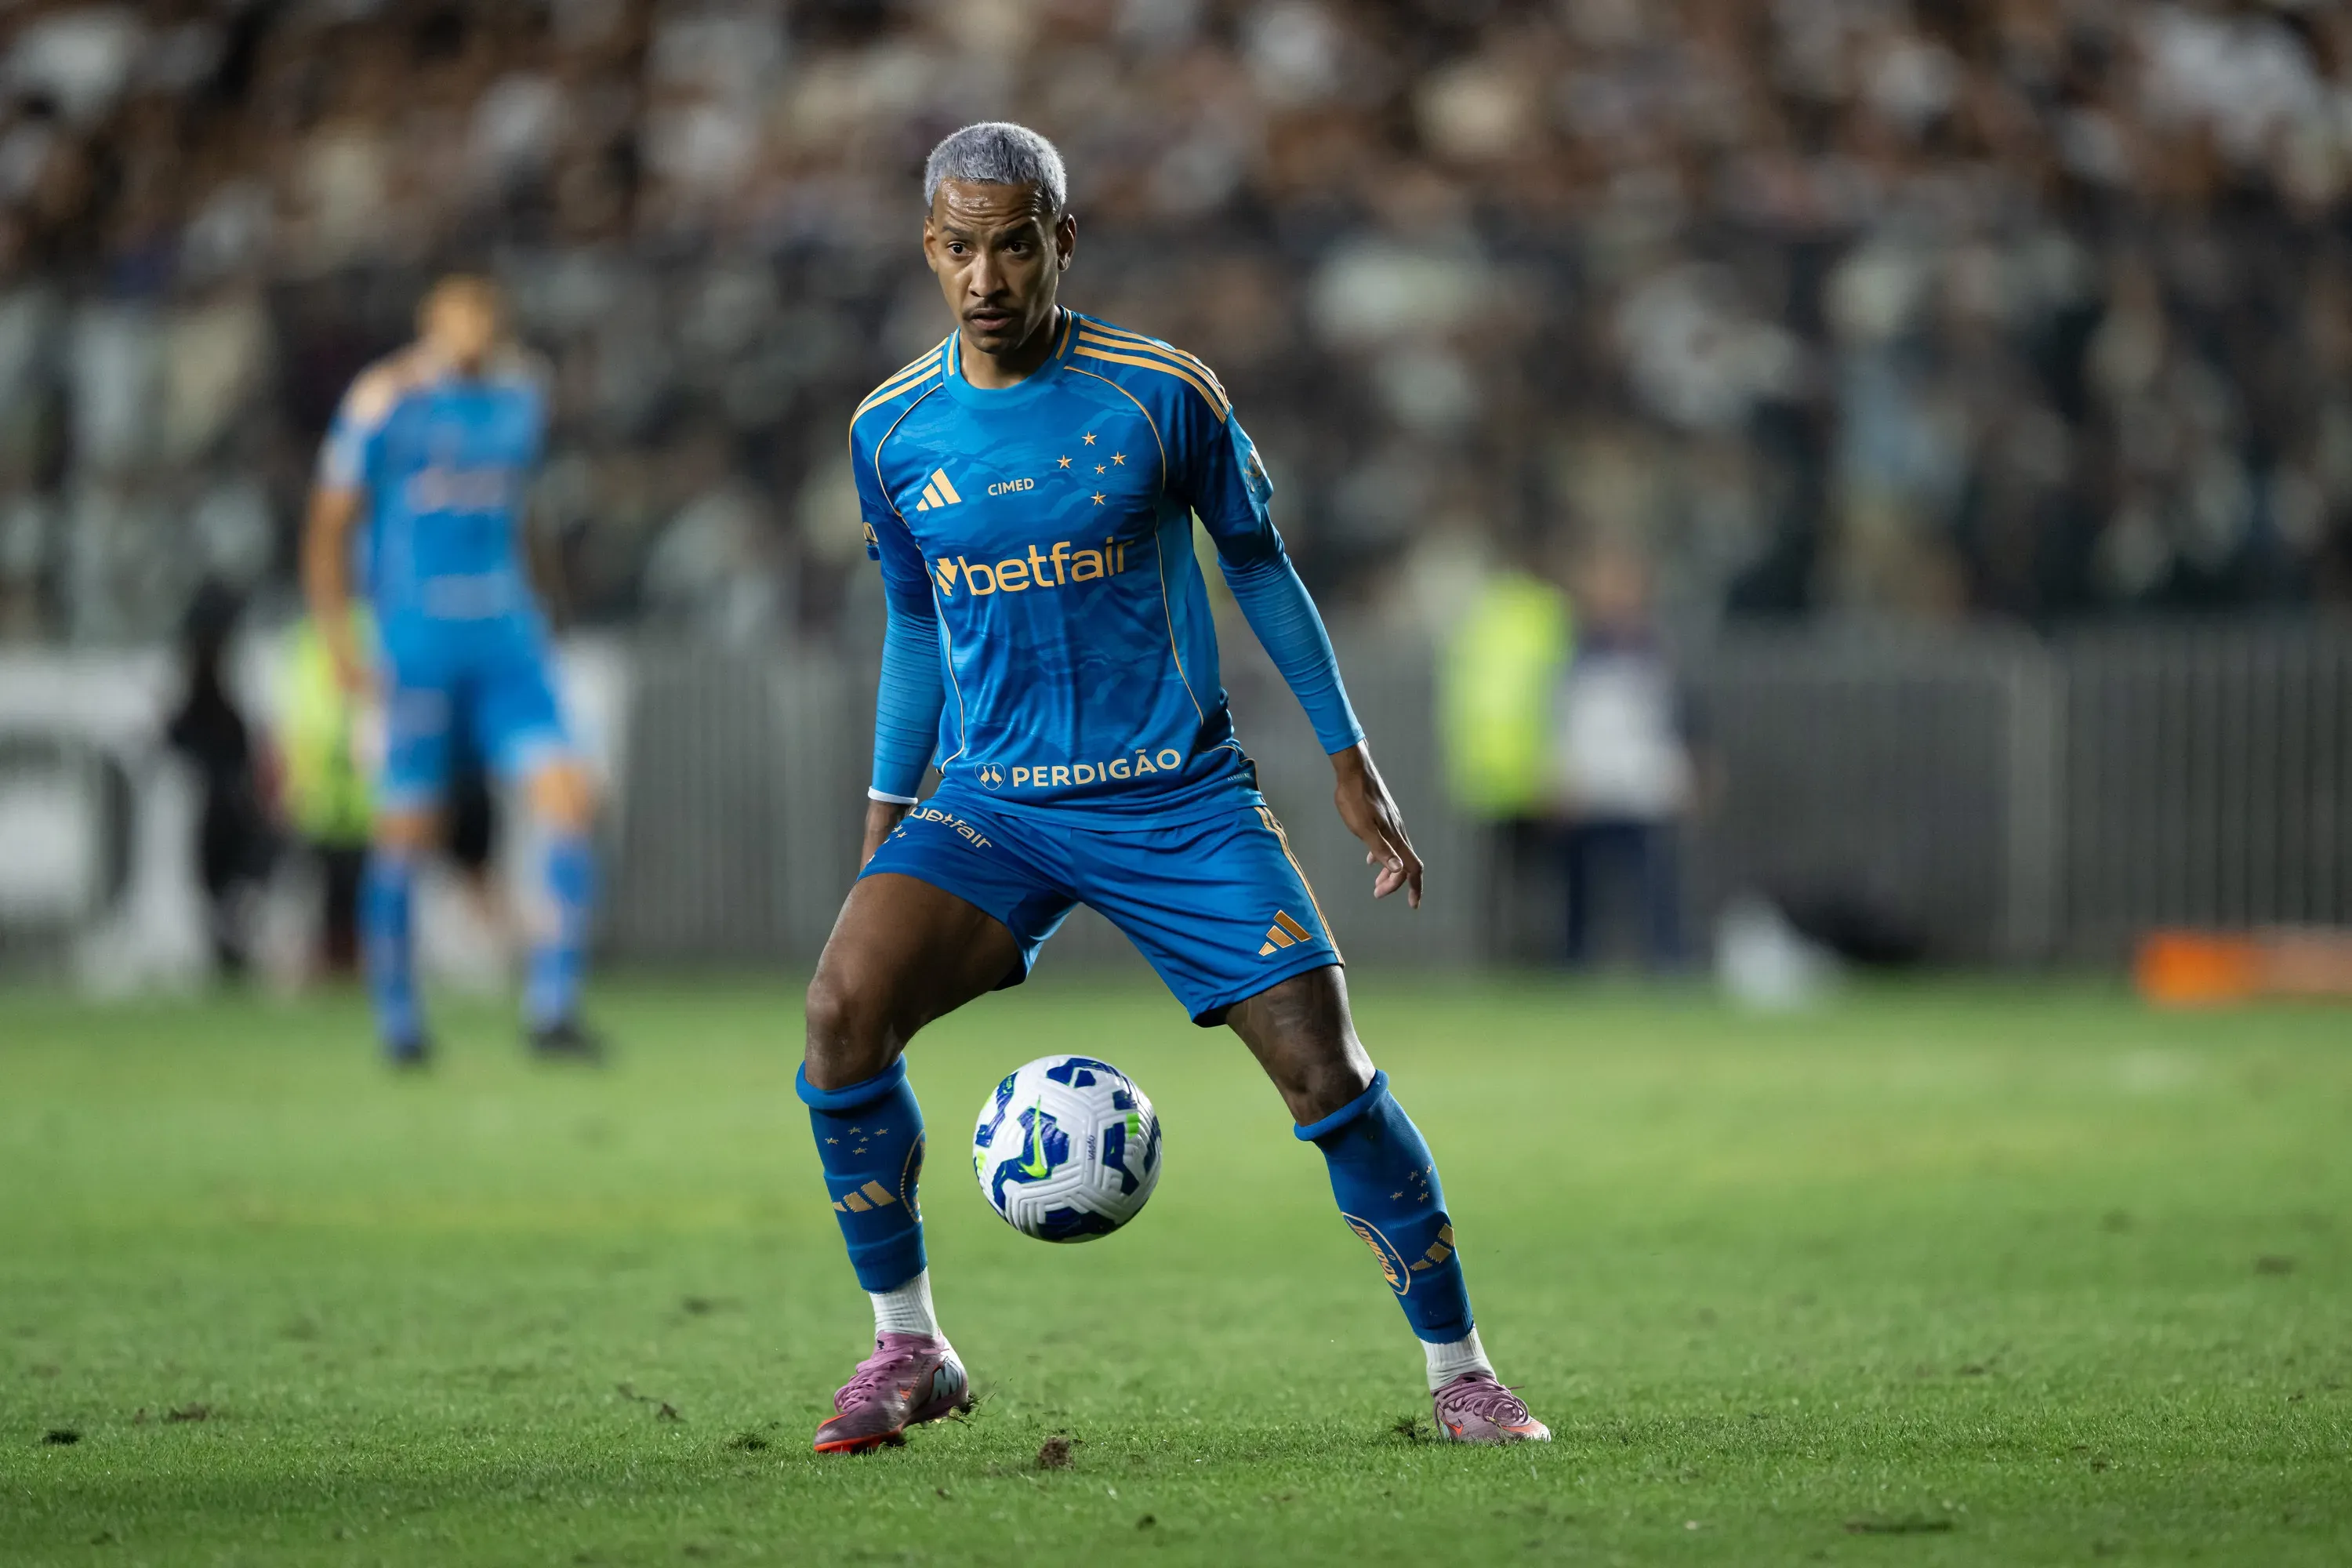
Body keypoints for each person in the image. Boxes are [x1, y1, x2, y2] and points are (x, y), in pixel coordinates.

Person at [799, 123, 1550, 1454]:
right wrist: (883, 801)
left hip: (1175, 800)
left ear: (1061, 242)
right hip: (994, 804)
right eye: (961, 247)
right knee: (842, 1015)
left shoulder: (1160, 392)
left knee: (1328, 1073)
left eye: (1014, 243)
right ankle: (908, 1346)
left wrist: (1347, 754)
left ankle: (1463, 1374)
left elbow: (1258, 562)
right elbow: (916, 624)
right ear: (930, 249)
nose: (987, 275)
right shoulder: (891, 429)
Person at [300, 274, 602, 1066]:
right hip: (416, 645)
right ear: (430, 324)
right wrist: (340, 639)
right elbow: (328, 523)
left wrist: (549, 608)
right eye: (456, 318)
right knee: (407, 830)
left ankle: (553, 1007)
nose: (472, 332)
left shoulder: (522, 397)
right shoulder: (384, 400)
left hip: (507, 640)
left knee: (570, 799)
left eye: (484, 317)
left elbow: (519, 512)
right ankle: (399, 1020)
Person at [1553, 541, 1694, 969]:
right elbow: (1558, 715)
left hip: (1644, 787)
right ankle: (1574, 966)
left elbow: (1681, 714)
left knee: (1655, 883)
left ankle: (1665, 964)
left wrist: (1689, 769)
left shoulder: (1658, 649)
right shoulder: (1571, 649)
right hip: (1589, 787)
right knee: (1579, 886)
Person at [166, 580, 274, 978]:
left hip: (228, 805)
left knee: (232, 884)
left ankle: (232, 946)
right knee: (223, 889)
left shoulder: (220, 692)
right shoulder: (207, 695)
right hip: (220, 804)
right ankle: (229, 949)